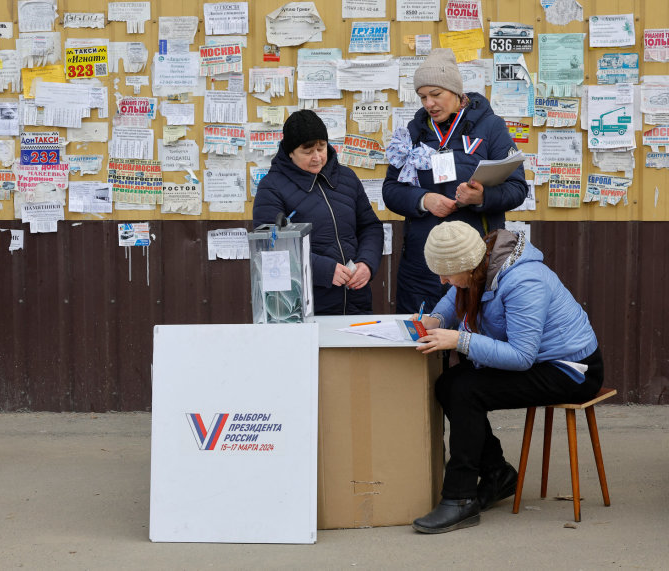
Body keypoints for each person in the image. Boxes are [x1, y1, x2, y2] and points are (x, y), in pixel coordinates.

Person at [410, 221, 603, 533]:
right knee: (449, 384)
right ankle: (497, 473)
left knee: (465, 390)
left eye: (446, 272)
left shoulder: (524, 281)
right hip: (540, 361)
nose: (443, 280)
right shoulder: (479, 265)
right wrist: (435, 319)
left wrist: (457, 340)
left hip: (572, 370)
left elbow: (522, 357)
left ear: (468, 265)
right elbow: (454, 296)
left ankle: (460, 498)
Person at [383, 48, 527, 314]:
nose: (429, 104)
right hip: (422, 264)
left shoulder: (491, 127)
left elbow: (517, 188)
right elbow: (391, 190)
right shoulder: (412, 132)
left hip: (475, 262)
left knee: (473, 341)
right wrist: (423, 200)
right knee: (422, 341)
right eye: (423, 96)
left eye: (436, 95)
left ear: (456, 92)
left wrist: (482, 198)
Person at [253, 110, 384, 315]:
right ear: (290, 152)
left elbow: (370, 226)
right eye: (307, 151)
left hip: (356, 299)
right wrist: (323, 270)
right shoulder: (271, 187)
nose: (317, 157)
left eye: (321, 148)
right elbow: (271, 246)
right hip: (304, 305)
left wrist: (367, 263)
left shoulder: (347, 177)